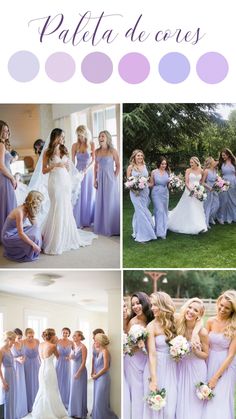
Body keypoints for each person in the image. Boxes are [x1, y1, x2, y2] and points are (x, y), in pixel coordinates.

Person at [41, 128, 97, 254]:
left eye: (63, 137)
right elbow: (43, 170)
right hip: (54, 182)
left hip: (65, 181)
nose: (62, 139)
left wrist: (66, 167)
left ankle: (65, 236)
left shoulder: (63, 149)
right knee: (56, 207)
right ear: (55, 136)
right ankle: (54, 239)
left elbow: (68, 166)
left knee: (65, 207)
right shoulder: (47, 152)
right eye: (61, 136)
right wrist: (55, 165)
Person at [143, 292, 177, 419]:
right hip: (156, 367)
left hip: (173, 368)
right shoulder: (150, 326)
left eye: (155, 305)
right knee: (157, 406)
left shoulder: (175, 320)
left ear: (163, 305)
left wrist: (195, 334)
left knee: (170, 407)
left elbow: (197, 319)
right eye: (151, 305)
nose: (152, 308)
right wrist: (154, 379)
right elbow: (152, 354)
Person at [203, 290, 236, 419]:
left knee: (219, 401)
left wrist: (215, 377)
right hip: (209, 361)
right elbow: (204, 342)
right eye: (221, 305)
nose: (222, 309)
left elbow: (231, 355)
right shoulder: (210, 321)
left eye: (227, 308)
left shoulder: (234, 326)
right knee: (207, 399)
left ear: (232, 310)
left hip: (226, 365)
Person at [175, 298, 208, 419]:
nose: (191, 311)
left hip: (196, 369)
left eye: (196, 310)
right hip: (181, 367)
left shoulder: (202, 332)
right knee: (181, 399)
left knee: (194, 401)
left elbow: (206, 354)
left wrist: (195, 351)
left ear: (199, 315)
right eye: (190, 307)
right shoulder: (180, 325)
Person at [124, 292, 153, 419]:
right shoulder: (132, 322)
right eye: (133, 304)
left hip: (148, 360)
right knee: (137, 392)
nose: (136, 306)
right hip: (134, 360)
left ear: (144, 303)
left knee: (146, 390)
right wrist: (138, 344)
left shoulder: (152, 318)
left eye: (138, 303)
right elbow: (129, 347)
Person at [32, 328, 68, 419]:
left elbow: (40, 357)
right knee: (52, 389)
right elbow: (58, 356)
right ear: (52, 336)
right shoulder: (53, 346)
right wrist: (55, 343)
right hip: (49, 369)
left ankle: (41, 411)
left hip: (42, 369)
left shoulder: (40, 344)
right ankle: (51, 411)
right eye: (55, 334)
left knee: (43, 388)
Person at [168, 156, 208, 234]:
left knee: (198, 208)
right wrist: (192, 191)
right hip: (189, 191)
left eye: (192, 162)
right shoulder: (188, 170)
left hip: (198, 191)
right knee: (191, 208)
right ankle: (193, 226)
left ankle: (200, 226)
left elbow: (201, 182)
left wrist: (200, 191)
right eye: (190, 162)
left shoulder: (201, 171)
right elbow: (186, 182)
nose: (190, 164)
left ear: (196, 163)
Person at [1, 190, 43, 262]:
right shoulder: (19, 212)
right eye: (39, 202)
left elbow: (35, 225)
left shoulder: (28, 208)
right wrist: (34, 244)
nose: (40, 205)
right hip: (8, 236)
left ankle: (34, 248)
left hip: (16, 231)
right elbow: (21, 233)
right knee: (33, 237)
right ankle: (32, 249)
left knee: (36, 230)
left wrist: (40, 234)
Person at [93, 130, 120, 236]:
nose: (100, 138)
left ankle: (111, 227)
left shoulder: (113, 150)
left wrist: (114, 177)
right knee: (101, 201)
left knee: (110, 201)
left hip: (110, 178)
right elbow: (95, 166)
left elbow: (118, 165)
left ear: (107, 137)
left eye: (102, 136)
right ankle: (101, 226)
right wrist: (94, 180)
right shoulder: (97, 151)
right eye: (99, 136)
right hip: (100, 178)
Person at [127, 149, 156, 243]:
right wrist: (134, 190)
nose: (140, 157)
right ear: (134, 157)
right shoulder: (130, 167)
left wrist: (146, 184)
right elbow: (128, 182)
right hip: (134, 193)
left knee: (142, 211)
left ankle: (137, 231)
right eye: (138, 155)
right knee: (140, 212)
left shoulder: (144, 166)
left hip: (144, 192)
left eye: (141, 156)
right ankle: (144, 235)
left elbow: (147, 180)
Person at [72, 125, 95, 228]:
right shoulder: (74, 145)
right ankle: (78, 219)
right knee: (78, 194)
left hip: (88, 172)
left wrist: (87, 169)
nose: (80, 137)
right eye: (78, 135)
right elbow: (72, 161)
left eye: (81, 135)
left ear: (85, 134)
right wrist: (72, 172)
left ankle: (88, 219)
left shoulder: (91, 144)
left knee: (88, 194)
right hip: (78, 172)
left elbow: (94, 160)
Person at [92, 333, 118, 419]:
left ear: (100, 341)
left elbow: (106, 367)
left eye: (96, 340)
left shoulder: (105, 352)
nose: (94, 342)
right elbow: (97, 365)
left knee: (100, 400)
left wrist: (96, 376)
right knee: (97, 400)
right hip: (97, 378)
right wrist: (94, 373)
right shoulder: (98, 351)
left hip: (103, 378)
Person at [0, 120, 17, 241]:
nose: (7, 133)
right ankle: (7, 234)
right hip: (4, 179)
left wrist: (13, 158)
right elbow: (1, 166)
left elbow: (6, 162)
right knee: (8, 205)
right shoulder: (0, 145)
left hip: (4, 177)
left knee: (4, 205)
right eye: (4, 130)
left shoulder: (3, 145)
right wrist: (12, 178)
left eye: (7, 130)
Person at [68, 331, 88, 418]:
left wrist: (78, 373)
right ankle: (74, 411)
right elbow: (73, 357)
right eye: (73, 336)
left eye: (76, 336)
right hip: (73, 369)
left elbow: (83, 362)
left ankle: (80, 412)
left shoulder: (83, 347)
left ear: (80, 337)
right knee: (73, 390)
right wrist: (70, 357)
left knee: (79, 391)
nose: (74, 337)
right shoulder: (74, 346)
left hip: (80, 370)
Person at [149, 157, 170, 239]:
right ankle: (160, 233)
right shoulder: (154, 172)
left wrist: (173, 184)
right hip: (156, 192)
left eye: (165, 164)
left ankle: (163, 229)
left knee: (164, 211)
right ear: (159, 164)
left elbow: (169, 185)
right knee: (159, 210)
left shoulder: (167, 172)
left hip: (165, 193)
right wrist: (142, 184)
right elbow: (151, 184)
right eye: (162, 164)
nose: (164, 165)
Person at [11, 328, 28, 418]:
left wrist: (23, 358)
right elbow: (8, 358)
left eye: (21, 337)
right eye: (18, 338)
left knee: (21, 386)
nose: (20, 339)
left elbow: (24, 354)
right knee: (16, 387)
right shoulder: (11, 345)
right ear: (14, 337)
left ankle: (22, 409)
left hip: (21, 367)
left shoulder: (22, 343)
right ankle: (16, 411)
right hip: (14, 367)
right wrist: (16, 359)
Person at [23, 328, 40, 412]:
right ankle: (29, 404)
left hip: (37, 364)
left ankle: (37, 404)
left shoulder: (37, 341)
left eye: (32, 336)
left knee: (37, 383)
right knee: (28, 383)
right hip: (27, 364)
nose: (31, 338)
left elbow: (40, 353)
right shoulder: (23, 342)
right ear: (26, 335)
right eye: (29, 336)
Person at [217, 148, 236, 224]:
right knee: (224, 199)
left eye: (224, 155)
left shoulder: (234, 162)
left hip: (233, 181)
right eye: (222, 155)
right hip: (224, 182)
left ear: (228, 154)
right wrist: (219, 180)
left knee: (232, 199)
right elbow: (215, 171)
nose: (223, 157)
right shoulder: (221, 163)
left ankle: (233, 216)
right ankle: (222, 217)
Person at [0, 331, 16, 419]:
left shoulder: (10, 349)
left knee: (12, 399)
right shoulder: (1, 350)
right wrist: (3, 382)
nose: (14, 342)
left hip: (12, 375)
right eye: (13, 340)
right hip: (6, 375)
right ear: (8, 339)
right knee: (7, 398)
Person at [56, 327, 73, 409]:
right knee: (58, 380)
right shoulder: (57, 341)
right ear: (61, 333)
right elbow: (52, 349)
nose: (65, 334)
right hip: (59, 362)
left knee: (66, 380)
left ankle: (66, 400)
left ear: (69, 334)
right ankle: (58, 401)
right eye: (64, 332)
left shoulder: (71, 342)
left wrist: (70, 357)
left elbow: (76, 352)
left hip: (67, 363)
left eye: (66, 333)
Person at [202, 157, 220, 228]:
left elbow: (216, 179)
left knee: (217, 205)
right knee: (208, 206)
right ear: (210, 163)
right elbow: (202, 182)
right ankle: (206, 222)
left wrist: (219, 183)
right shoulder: (206, 171)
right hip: (208, 190)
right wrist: (209, 188)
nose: (214, 162)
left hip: (215, 190)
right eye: (213, 161)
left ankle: (210, 217)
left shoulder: (215, 170)